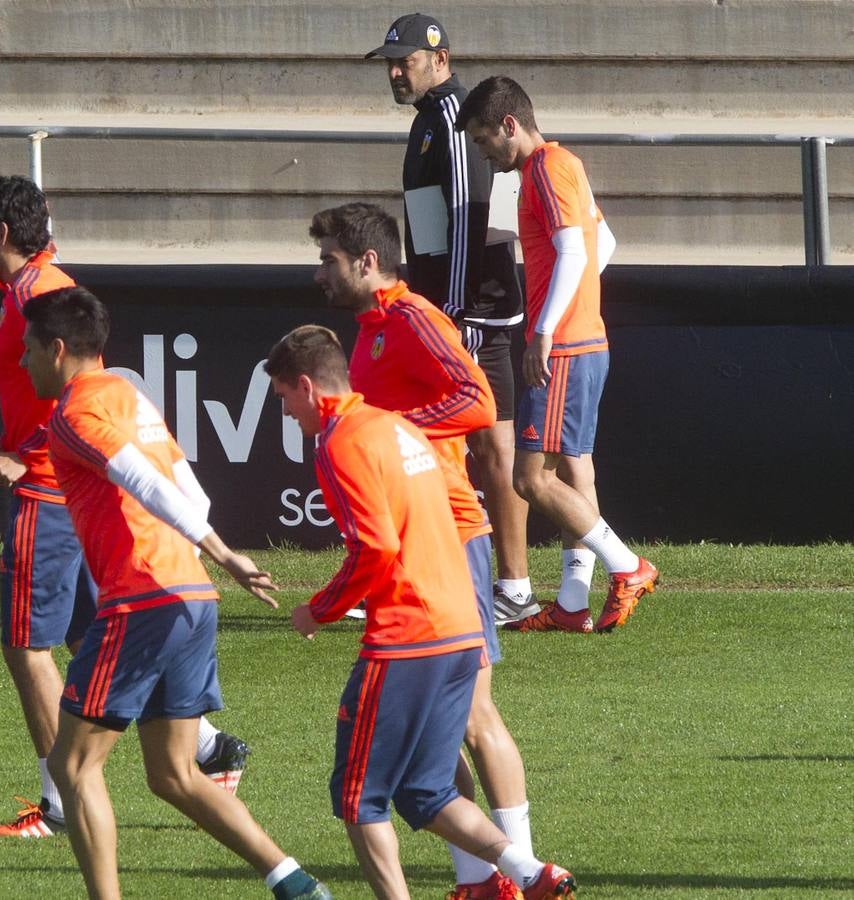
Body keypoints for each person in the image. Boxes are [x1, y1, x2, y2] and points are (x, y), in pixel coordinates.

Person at [0, 176, 249, 837]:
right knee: (90, 635)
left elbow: (77, 397)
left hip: (48, 487)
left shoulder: (43, 293)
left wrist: (24, 454)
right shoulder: (24, 289)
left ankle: (57, 802)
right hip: (51, 476)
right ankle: (208, 745)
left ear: (2, 233)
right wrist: (7, 441)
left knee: (26, 646)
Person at [18, 287, 330, 900]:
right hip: (190, 596)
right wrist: (205, 553)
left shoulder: (75, 414)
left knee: (72, 765)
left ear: (57, 350)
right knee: (174, 773)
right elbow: (189, 488)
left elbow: (140, 479)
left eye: (28, 350)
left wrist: (223, 552)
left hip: (143, 601)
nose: (22, 362)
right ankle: (293, 882)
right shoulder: (127, 395)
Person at [267, 324, 575, 900]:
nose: (285, 412)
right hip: (460, 630)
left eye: (283, 397)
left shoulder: (340, 443)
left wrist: (321, 609)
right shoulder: (399, 429)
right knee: (425, 794)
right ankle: (532, 874)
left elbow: (375, 548)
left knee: (358, 798)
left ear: (307, 387)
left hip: (408, 639)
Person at [308, 202, 539, 900]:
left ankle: (519, 868)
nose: (320, 272)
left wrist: (393, 425)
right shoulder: (372, 331)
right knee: (443, 737)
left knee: (473, 715)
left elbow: (477, 398)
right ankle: (480, 877)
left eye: (328, 260)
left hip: (455, 532)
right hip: (424, 535)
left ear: (368, 264)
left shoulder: (412, 320)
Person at [456, 77, 660, 633]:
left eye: (483, 140)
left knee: (530, 480)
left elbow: (574, 247)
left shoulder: (545, 168)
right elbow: (603, 243)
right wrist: (570, 303)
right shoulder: (560, 166)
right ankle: (572, 603)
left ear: (508, 126)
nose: (483, 152)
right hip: (586, 339)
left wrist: (546, 326)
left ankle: (629, 566)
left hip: (565, 346)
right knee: (574, 469)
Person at [365, 14, 537, 626]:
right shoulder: (428, 120)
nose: (394, 71)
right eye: (390, 61)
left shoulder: (450, 117)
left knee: (477, 446)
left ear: (440, 59)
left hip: (471, 311)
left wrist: (454, 311)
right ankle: (502, 587)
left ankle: (502, 587)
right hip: (468, 306)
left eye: (404, 60)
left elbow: (467, 215)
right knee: (485, 447)